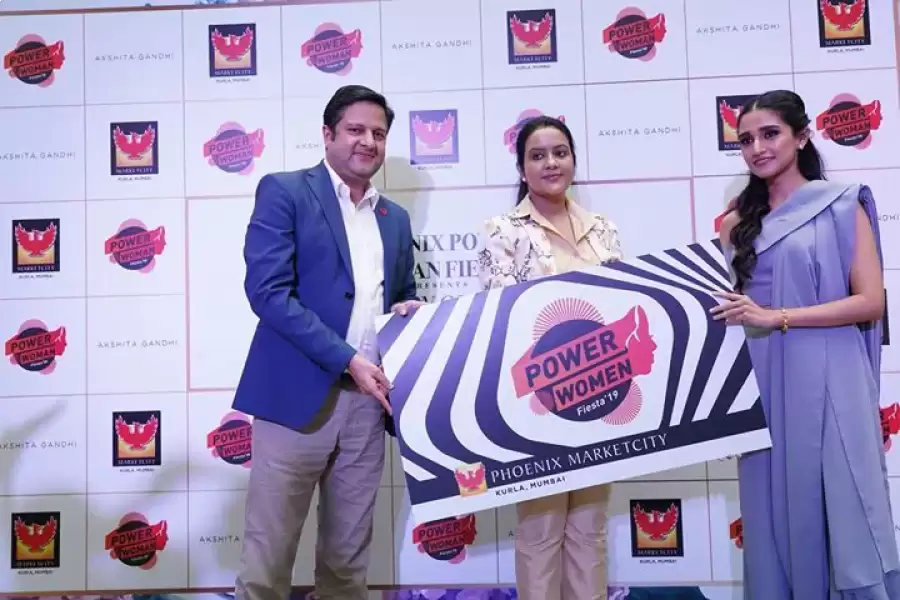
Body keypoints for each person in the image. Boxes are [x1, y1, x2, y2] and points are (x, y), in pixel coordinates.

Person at [232, 84, 423, 600]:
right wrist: (347, 359)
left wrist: (409, 314)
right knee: (268, 560)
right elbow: (268, 293)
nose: (368, 142)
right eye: (356, 129)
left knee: (347, 565)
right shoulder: (285, 191)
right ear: (327, 134)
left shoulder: (395, 219)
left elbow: (402, 297)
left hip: (368, 406)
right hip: (294, 400)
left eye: (378, 133)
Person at [712, 89, 900, 599]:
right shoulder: (734, 225)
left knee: (845, 505)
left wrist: (778, 316)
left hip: (833, 375)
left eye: (770, 134)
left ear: (801, 137)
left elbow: (870, 302)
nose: (757, 148)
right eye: (746, 140)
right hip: (762, 384)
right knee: (772, 511)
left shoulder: (843, 204)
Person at [476, 115, 623, 600]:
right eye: (537, 156)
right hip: (537, 405)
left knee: (590, 529)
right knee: (540, 533)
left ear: (573, 160)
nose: (551, 163)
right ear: (522, 169)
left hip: (600, 400)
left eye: (560, 152)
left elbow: (620, 310)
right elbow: (501, 318)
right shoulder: (502, 231)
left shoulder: (603, 230)